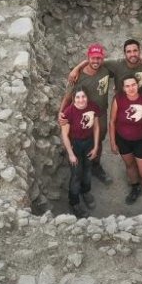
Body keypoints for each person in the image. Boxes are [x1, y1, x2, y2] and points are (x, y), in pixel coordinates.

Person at [60, 44, 114, 184]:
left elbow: (125, 61)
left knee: (98, 140)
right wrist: (60, 113)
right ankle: (77, 165)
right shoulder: (78, 76)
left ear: (103, 59)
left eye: (99, 58)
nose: (96, 61)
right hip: (78, 114)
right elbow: (67, 97)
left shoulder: (106, 69)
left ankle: (95, 165)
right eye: (93, 58)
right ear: (88, 58)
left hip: (100, 113)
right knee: (77, 139)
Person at [108, 76, 142, 216]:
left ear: (137, 86)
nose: (131, 88)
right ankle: (135, 187)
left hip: (141, 141)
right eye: (127, 86)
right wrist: (113, 142)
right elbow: (112, 122)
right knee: (130, 165)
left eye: (133, 85)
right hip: (123, 140)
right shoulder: (118, 100)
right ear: (123, 88)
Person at [59, 89, 100, 216]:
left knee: (87, 169)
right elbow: (64, 135)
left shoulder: (93, 107)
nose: (81, 100)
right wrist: (71, 154)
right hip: (74, 144)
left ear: (87, 97)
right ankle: (74, 202)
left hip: (88, 143)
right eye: (78, 97)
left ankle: (85, 191)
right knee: (76, 174)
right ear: (73, 98)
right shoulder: (69, 112)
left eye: (83, 96)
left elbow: (96, 127)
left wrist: (96, 147)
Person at [67, 38, 142, 94]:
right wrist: (76, 68)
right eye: (129, 51)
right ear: (124, 53)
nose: (132, 54)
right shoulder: (117, 63)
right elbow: (96, 61)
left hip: (141, 102)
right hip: (120, 103)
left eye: (135, 51)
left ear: (139, 51)